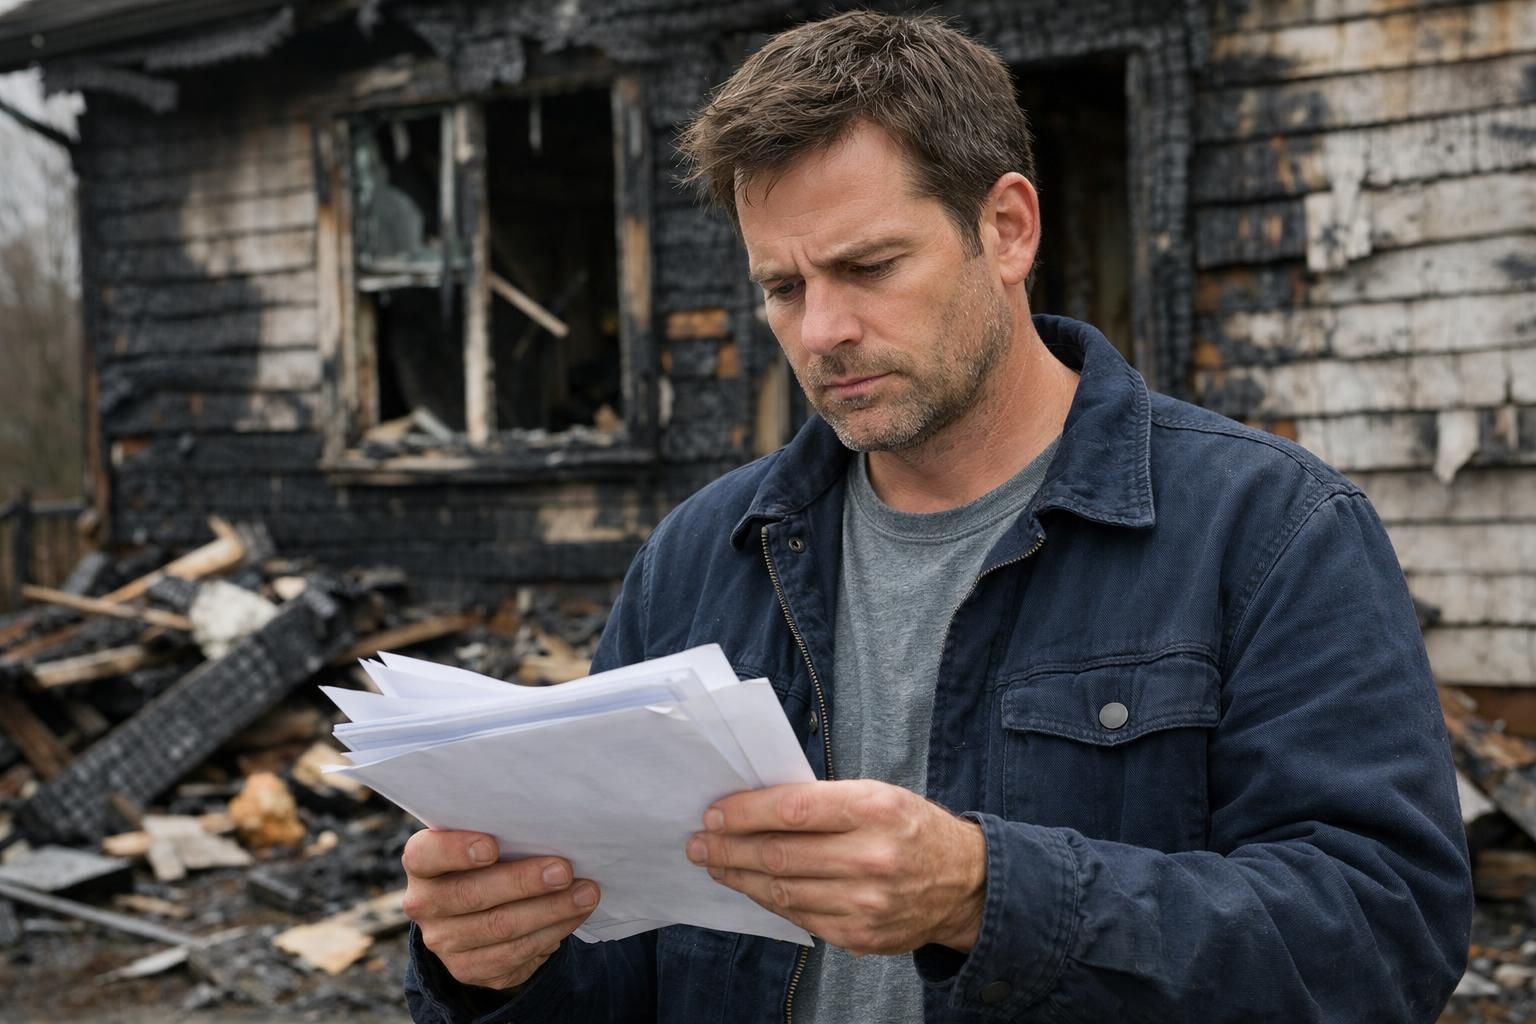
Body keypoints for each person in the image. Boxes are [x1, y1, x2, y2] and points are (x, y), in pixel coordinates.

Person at [399, 11, 1473, 1022]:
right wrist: (490, 966)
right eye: (781, 287)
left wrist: (985, 893)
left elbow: (1386, 937)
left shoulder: (1270, 529)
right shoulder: (700, 557)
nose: (822, 330)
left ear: (1006, 228)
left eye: (869, 266)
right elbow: (619, 974)